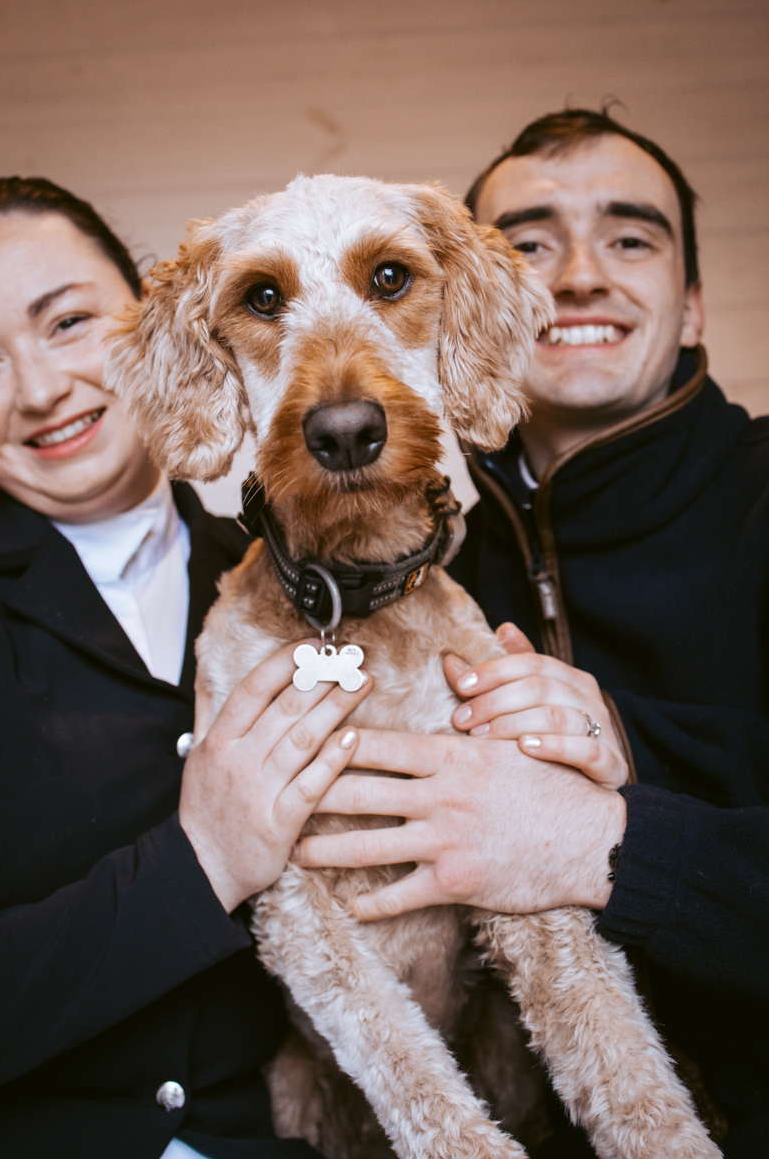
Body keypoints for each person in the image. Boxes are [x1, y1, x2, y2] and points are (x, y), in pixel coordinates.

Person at [293, 111, 769, 1157]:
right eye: (532, 245)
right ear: (470, 305)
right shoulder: (413, 573)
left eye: (629, 238)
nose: (580, 276)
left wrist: (608, 827)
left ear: (692, 304)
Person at [0, 177, 372, 1159]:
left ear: (158, 317)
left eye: (68, 322)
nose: (40, 389)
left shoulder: (299, 583)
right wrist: (199, 865)